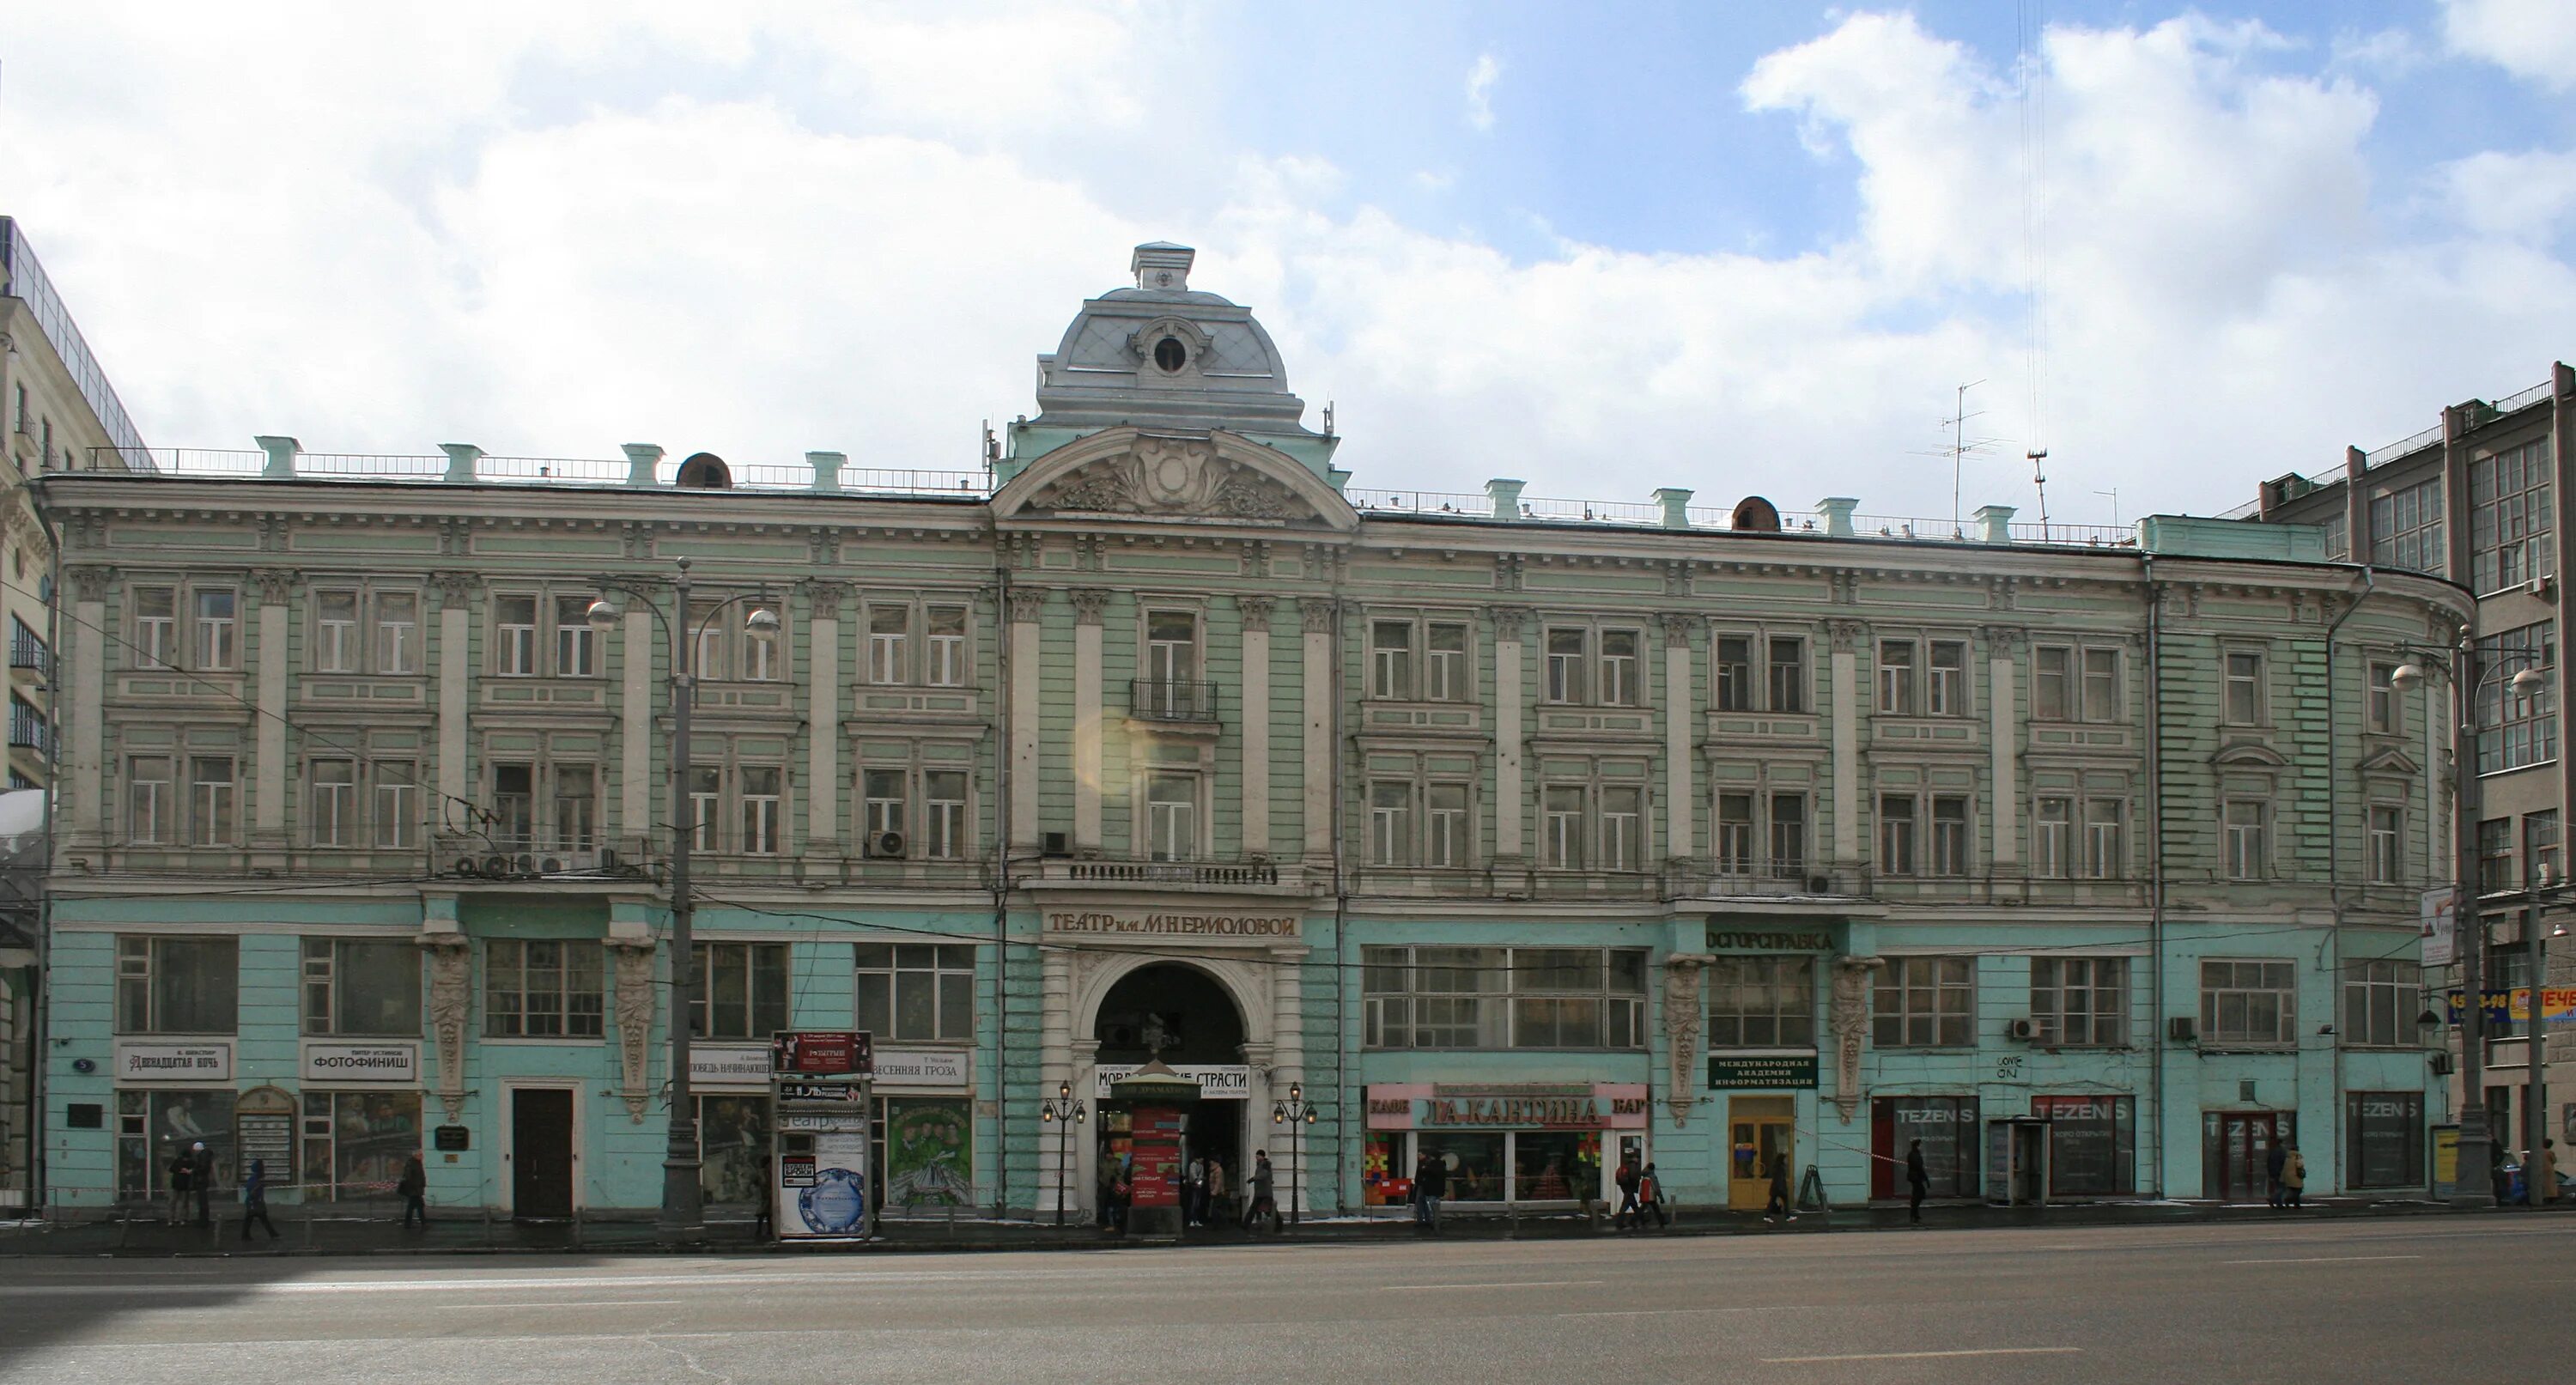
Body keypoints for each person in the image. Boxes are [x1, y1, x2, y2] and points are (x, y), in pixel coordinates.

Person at [239, 1157, 279, 1242]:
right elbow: (252, 1190)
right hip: (255, 1203)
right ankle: (273, 1234)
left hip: (253, 1203)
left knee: (250, 1220)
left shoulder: (254, 1178)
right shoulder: (256, 1178)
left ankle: (245, 1235)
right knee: (262, 1219)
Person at [1242, 1150, 1279, 1233]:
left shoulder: (1265, 1164)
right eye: (1256, 1155)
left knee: (1266, 1210)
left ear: (1262, 1156)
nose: (1256, 1157)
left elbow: (1264, 1175)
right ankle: (1246, 1224)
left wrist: (1253, 1179)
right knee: (1256, 1209)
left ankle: (1278, 1224)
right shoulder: (1261, 1164)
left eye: (1258, 1156)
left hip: (1264, 1192)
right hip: (1261, 1192)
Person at [1416, 1151, 1446, 1234]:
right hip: (1438, 1190)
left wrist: (1425, 1169)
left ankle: (1435, 1226)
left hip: (1432, 1190)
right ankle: (1436, 1225)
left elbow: (1428, 1174)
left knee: (1432, 1208)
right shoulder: (1441, 1165)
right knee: (1435, 1208)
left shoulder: (1431, 1166)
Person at [189, 1141, 216, 1227]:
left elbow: (202, 1168)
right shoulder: (205, 1156)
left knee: (202, 1202)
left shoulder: (202, 1157)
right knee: (203, 1201)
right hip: (203, 1181)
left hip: (201, 1181)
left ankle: (203, 1221)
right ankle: (204, 1220)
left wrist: (194, 1171)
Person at [166, 1145, 195, 1226]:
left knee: (180, 1203)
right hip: (179, 1185)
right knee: (175, 1203)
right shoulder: (179, 1161)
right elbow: (171, 1169)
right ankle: (174, 1219)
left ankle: (178, 1219)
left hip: (181, 1185)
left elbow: (196, 1169)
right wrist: (182, 1170)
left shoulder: (188, 1162)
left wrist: (189, 1171)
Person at [398, 1154, 428, 1230]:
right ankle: (422, 1223)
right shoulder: (412, 1164)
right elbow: (409, 1177)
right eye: (420, 1155)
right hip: (414, 1190)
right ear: (416, 1155)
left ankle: (409, 1224)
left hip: (416, 1189)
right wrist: (416, 1187)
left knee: (414, 1207)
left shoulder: (417, 1163)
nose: (422, 1156)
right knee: (418, 1207)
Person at [1764, 1151, 1795, 1224]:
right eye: (1785, 1159)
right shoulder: (1780, 1168)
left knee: (1772, 1202)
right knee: (1785, 1201)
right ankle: (1788, 1217)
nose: (1786, 1160)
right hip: (1780, 1188)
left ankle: (1767, 1216)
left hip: (1775, 1188)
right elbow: (1780, 1179)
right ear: (1782, 1159)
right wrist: (1781, 1189)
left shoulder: (1776, 1166)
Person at [1636, 1162, 1668, 1230]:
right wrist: (1661, 1197)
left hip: (1645, 1196)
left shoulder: (1645, 1176)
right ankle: (1662, 1221)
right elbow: (1656, 1188)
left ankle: (1661, 1221)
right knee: (1656, 1209)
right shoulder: (1652, 1176)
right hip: (1651, 1196)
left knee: (1647, 1209)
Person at [1613, 1155, 1642, 1230]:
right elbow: (1633, 1176)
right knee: (1624, 1207)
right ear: (1634, 1158)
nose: (1638, 1159)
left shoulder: (1625, 1165)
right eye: (1637, 1158)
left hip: (1625, 1187)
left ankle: (1638, 1220)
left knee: (1634, 1205)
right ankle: (1620, 1223)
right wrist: (1636, 1184)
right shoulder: (1632, 1165)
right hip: (1630, 1187)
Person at [1905, 1139, 1930, 1224]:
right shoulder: (1914, 1154)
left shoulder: (1914, 1154)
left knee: (1916, 1195)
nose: (1922, 1146)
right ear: (1917, 1145)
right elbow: (1918, 1167)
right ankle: (1914, 1214)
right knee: (1919, 1195)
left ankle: (1914, 1214)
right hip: (1915, 1177)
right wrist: (1925, 1178)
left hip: (1915, 1177)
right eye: (1921, 1145)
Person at [2281, 1143, 2306, 1209]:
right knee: (2298, 1190)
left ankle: (2293, 1203)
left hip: (2288, 1177)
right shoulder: (2297, 1156)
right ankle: (2292, 1202)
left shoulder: (2287, 1157)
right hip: (2296, 1177)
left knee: (2292, 1190)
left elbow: (2284, 1168)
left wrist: (2282, 1178)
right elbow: (2299, 1166)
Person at [1184, 1156, 1207, 1228]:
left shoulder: (1201, 1166)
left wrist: (1199, 1182)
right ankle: (1191, 1220)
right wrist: (1198, 1182)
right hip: (1193, 1185)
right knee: (1193, 1203)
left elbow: (1201, 1174)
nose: (1202, 1159)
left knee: (1197, 1204)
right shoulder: (1192, 1165)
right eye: (1201, 1158)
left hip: (1198, 1185)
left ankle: (1196, 1219)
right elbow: (1193, 1175)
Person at [2265, 1139, 2288, 1208]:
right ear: (2281, 1143)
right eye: (2284, 1143)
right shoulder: (2282, 1151)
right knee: (2282, 1188)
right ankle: (2273, 1199)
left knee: (2279, 1187)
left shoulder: (2273, 1151)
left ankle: (2278, 1202)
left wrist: (2270, 1174)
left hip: (2274, 1172)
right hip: (2280, 1172)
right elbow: (2284, 1163)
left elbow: (2268, 1163)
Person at [1205, 1157, 1227, 1227]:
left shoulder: (1218, 1170)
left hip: (1218, 1192)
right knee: (1216, 1208)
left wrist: (1214, 1192)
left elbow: (1218, 1183)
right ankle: (1217, 1224)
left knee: (1215, 1209)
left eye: (1211, 1161)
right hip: (1216, 1191)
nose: (1210, 1162)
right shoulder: (1214, 1169)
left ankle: (1222, 1222)